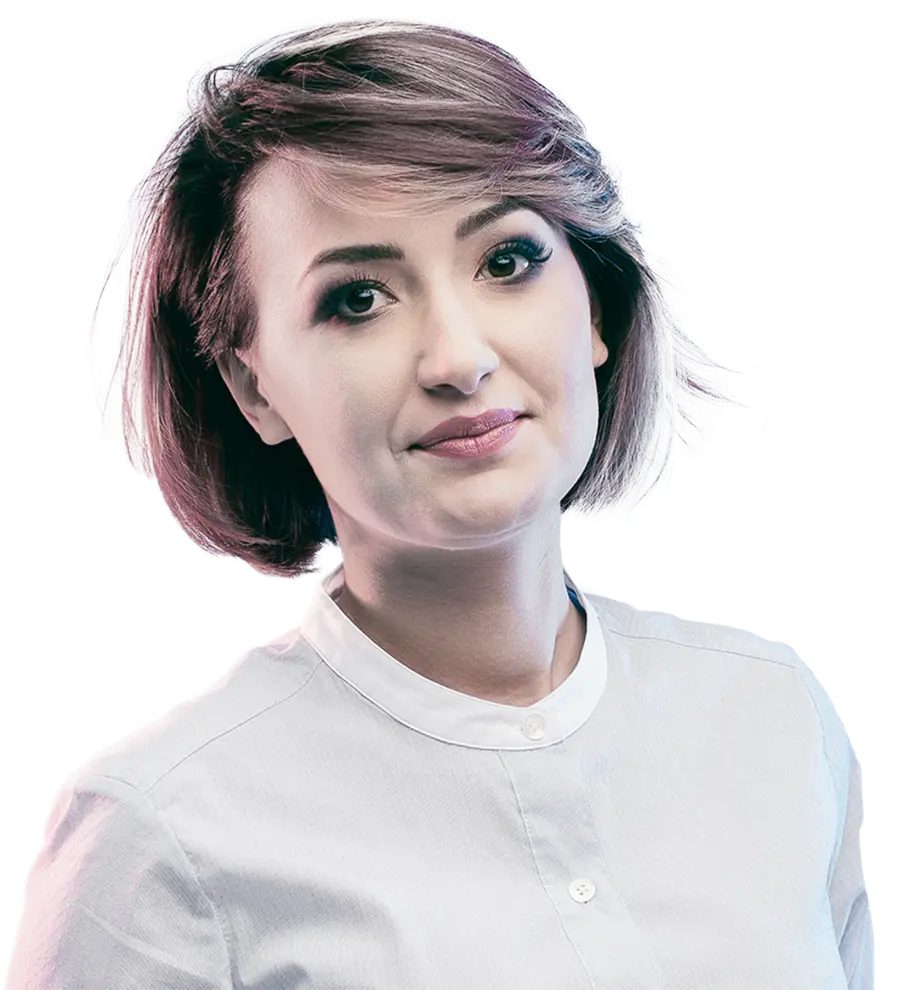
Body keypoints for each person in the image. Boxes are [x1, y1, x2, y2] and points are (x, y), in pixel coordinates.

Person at [10, 13, 874, 989]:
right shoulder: (161, 834)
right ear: (254, 388)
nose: (459, 359)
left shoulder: (774, 714)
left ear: (594, 300)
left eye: (507, 261)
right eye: (358, 299)